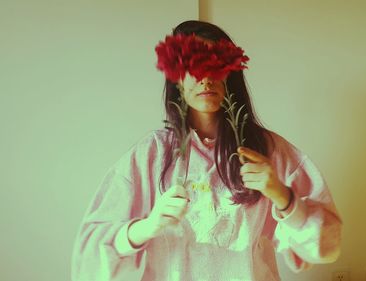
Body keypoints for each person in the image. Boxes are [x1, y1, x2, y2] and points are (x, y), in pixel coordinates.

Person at [71, 20, 342, 281]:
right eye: (194, 64)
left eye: (216, 65)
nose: (206, 78)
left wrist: (284, 198)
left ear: (230, 72)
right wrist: (146, 227)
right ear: (176, 76)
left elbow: (327, 246)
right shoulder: (151, 156)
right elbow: (89, 255)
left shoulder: (269, 151)